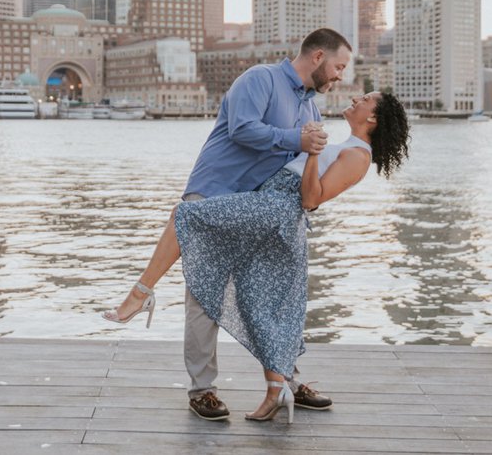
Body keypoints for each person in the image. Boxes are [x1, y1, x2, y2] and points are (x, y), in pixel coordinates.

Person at [105, 91, 411, 423]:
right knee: (259, 302)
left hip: (278, 207)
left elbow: (311, 199)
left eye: (365, 99)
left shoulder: (358, 156)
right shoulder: (347, 146)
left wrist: (311, 153)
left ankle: (140, 294)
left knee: (185, 216)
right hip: (272, 205)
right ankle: (276, 390)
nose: (356, 97)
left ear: (372, 118)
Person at [105, 28, 352, 421]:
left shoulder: (312, 111)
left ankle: (286, 381)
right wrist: (297, 140)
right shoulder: (261, 79)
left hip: (255, 209)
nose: (340, 75)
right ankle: (203, 390)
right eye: (339, 66)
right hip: (214, 193)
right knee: (205, 297)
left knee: (272, 295)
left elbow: (299, 166)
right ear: (318, 57)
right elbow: (242, 128)